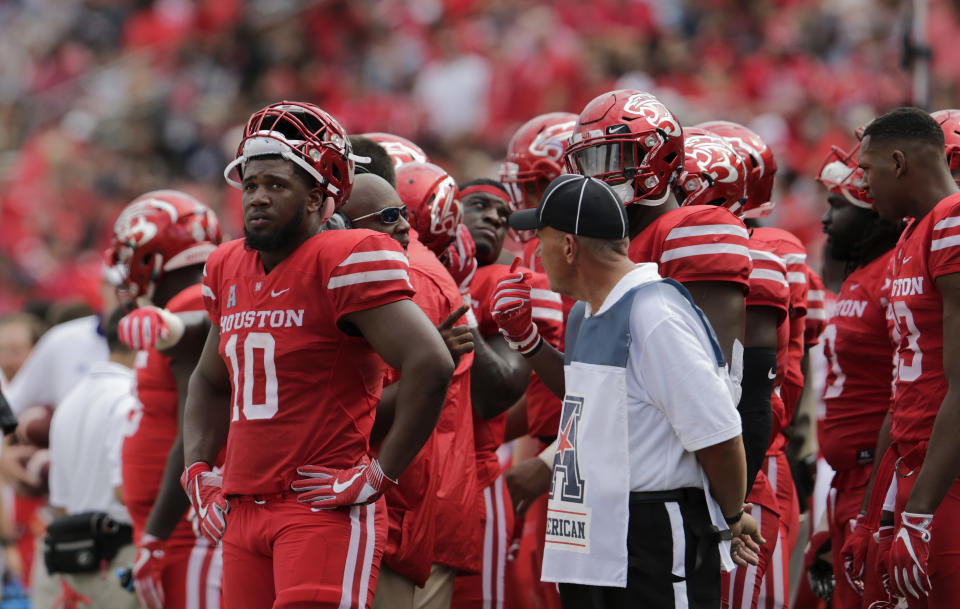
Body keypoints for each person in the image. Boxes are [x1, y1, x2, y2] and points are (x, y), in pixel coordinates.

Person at [181, 101, 454, 609]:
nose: (258, 197)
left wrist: (378, 474)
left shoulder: (347, 255)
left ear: (317, 197)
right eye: (251, 183)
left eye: (277, 185)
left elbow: (431, 364)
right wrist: (197, 470)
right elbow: (209, 381)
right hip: (244, 508)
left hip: (318, 510)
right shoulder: (225, 266)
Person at [501, 174, 762, 608]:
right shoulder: (591, 311)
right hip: (595, 537)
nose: (536, 253)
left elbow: (718, 432)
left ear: (568, 246)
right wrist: (526, 340)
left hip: (650, 534)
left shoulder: (653, 312)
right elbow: (594, 406)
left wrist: (732, 515)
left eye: (541, 238)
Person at [342, 173, 481, 609]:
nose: (407, 227)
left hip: (393, 510)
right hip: (361, 508)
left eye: (404, 213)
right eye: (389, 217)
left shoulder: (409, 275)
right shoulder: (352, 280)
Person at [852, 107, 960, 608]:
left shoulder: (953, 220)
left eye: (869, 168)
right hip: (910, 462)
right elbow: (902, 390)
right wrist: (869, 515)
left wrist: (918, 514)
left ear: (898, 162)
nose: (863, 183)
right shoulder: (910, 233)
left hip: (945, 475)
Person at [106, 190, 224, 609]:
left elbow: (194, 430)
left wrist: (156, 536)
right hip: (175, 533)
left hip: (185, 535)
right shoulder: (179, 305)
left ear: (152, 257)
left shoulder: (188, 304)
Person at [809, 143, 903, 608]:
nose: (826, 219)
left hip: (878, 478)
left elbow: (907, 392)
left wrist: (872, 508)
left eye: (838, 205)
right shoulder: (864, 275)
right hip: (847, 483)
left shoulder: (894, 274)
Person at [45, 306, 138, 608]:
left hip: (79, 562)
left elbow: (60, 504)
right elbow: (126, 491)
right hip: (120, 556)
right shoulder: (129, 397)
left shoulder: (71, 399)